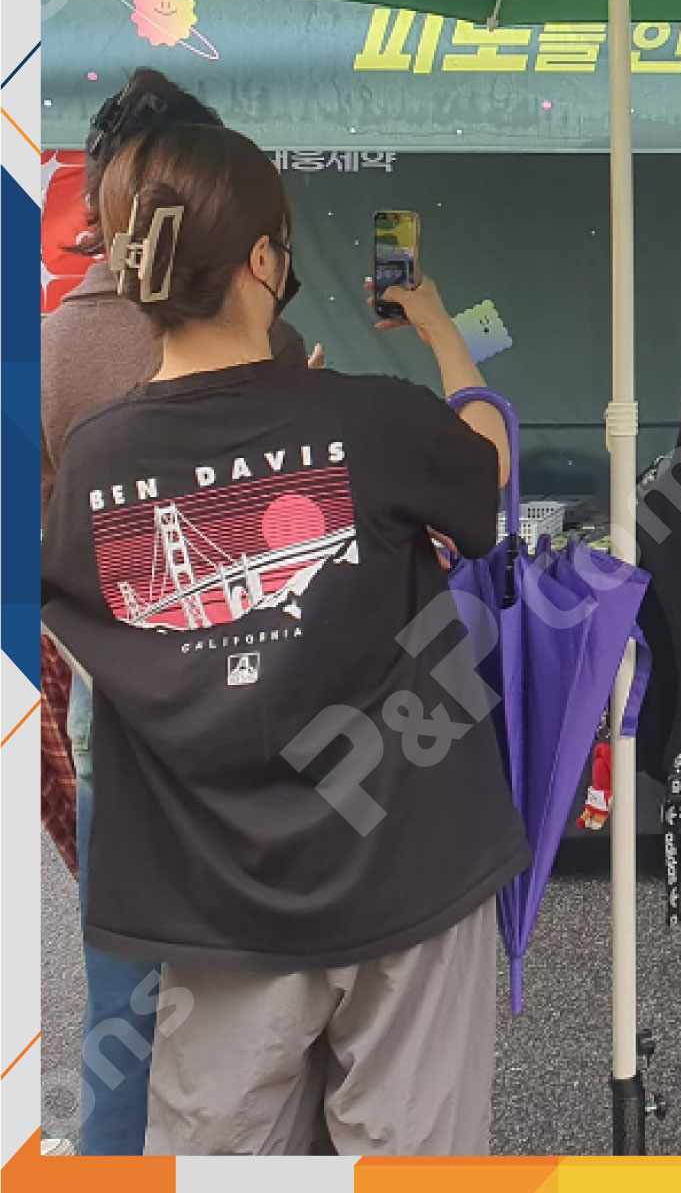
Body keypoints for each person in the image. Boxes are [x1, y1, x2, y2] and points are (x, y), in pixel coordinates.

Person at [40, 119, 526, 1154]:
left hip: (215, 905)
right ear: (265, 261)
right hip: (409, 868)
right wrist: (441, 329)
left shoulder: (93, 461)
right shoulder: (373, 419)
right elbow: (486, 465)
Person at [38, 71, 312, 1155]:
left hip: (115, 716)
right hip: (250, 715)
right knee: (258, 1009)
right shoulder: (263, 346)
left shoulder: (52, 347)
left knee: (121, 1014)